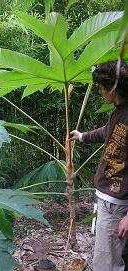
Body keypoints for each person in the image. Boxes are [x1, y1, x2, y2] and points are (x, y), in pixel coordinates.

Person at [70, 60, 128, 271]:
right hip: (110, 199)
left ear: (112, 88)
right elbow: (108, 131)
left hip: (117, 203)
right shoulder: (120, 111)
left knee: (106, 264)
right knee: (111, 257)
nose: (100, 91)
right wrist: (82, 136)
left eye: (102, 87)